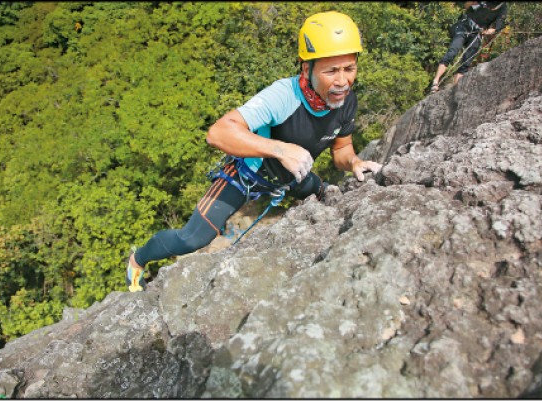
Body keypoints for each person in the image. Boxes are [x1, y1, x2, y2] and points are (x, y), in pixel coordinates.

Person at [125, 11, 383, 292]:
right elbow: (218, 132)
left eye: (349, 68)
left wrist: (355, 162)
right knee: (192, 239)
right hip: (245, 176)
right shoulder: (284, 96)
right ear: (306, 68)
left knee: (327, 194)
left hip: (293, 177)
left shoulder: (346, 101)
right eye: (331, 71)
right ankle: (138, 259)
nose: (343, 81)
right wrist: (280, 149)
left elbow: (342, 148)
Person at [430, 1, 508, 93]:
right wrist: (474, 3)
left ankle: (455, 90)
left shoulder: (502, 7)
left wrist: (491, 30)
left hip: (477, 34)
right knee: (452, 52)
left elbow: (499, 22)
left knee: (466, 63)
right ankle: (435, 82)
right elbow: (466, 5)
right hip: (465, 26)